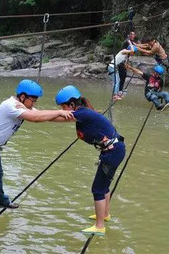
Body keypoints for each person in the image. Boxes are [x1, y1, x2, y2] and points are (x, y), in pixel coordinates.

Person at [0, 79, 74, 232]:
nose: (34, 103)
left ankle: (1, 201)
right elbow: (36, 118)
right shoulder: (11, 106)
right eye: (33, 100)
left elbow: (48, 117)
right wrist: (59, 111)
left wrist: (77, 117)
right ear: (23, 96)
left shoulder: (23, 106)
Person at [54, 85, 126, 235]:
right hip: (114, 151)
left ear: (72, 104)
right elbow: (58, 118)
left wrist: (32, 114)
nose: (63, 109)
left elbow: (56, 117)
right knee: (104, 186)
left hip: (112, 152)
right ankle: (105, 215)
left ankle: (99, 226)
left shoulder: (82, 114)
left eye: (63, 106)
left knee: (97, 189)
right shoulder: (82, 113)